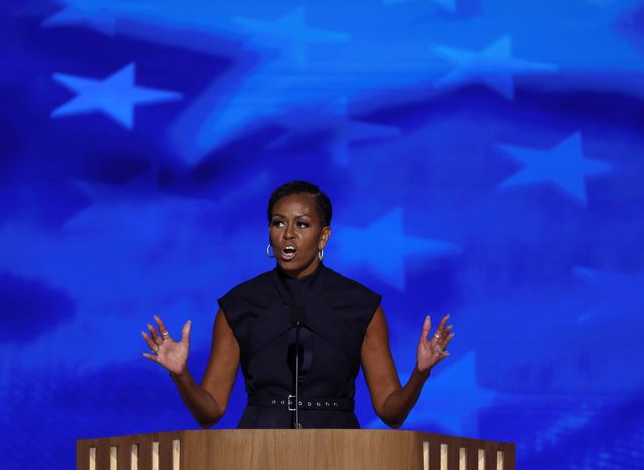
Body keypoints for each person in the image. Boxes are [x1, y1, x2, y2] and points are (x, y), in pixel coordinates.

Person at [141, 180, 454, 429]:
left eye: (302, 225)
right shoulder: (239, 305)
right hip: (255, 455)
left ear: (323, 236)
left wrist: (420, 373)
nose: (288, 235)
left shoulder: (361, 306)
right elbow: (209, 413)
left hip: (341, 454)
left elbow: (391, 413)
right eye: (278, 224)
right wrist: (180, 375)